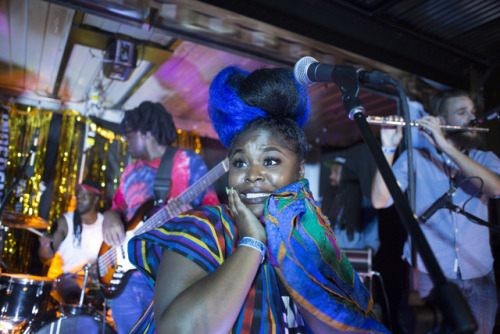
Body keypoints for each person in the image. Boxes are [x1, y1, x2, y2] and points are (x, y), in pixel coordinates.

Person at [127, 66, 389, 333]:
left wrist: (293, 262)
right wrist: (252, 244)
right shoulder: (203, 228)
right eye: (240, 162)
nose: (252, 175)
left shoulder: (310, 236)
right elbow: (177, 330)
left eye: (271, 161)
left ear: (300, 170)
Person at [371, 90, 500, 333]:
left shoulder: (485, 158)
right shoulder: (416, 159)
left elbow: (496, 188)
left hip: (480, 275)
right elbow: (379, 200)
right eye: (462, 113)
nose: (472, 118)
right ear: (439, 120)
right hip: (431, 276)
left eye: (472, 112)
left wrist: (445, 146)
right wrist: (388, 148)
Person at [101, 101, 220, 334]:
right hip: (127, 276)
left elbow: (215, 215)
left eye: (128, 134)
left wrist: (189, 216)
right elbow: (118, 207)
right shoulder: (131, 170)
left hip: (168, 275)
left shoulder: (186, 161)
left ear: (145, 133)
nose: (126, 140)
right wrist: (110, 217)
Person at [38, 180, 104, 305]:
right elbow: (45, 259)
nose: (79, 200)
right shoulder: (65, 222)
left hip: (92, 282)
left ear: (96, 199)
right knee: (75, 296)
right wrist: (45, 245)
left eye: (84, 196)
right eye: (78, 196)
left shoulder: (105, 224)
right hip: (64, 279)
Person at [322, 156, 380, 253]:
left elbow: (372, 242)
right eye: (331, 173)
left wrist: (363, 257)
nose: (330, 177)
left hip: (352, 263)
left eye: (335, 173)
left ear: (347, 175)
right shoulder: (322, 203)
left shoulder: (365, 206)